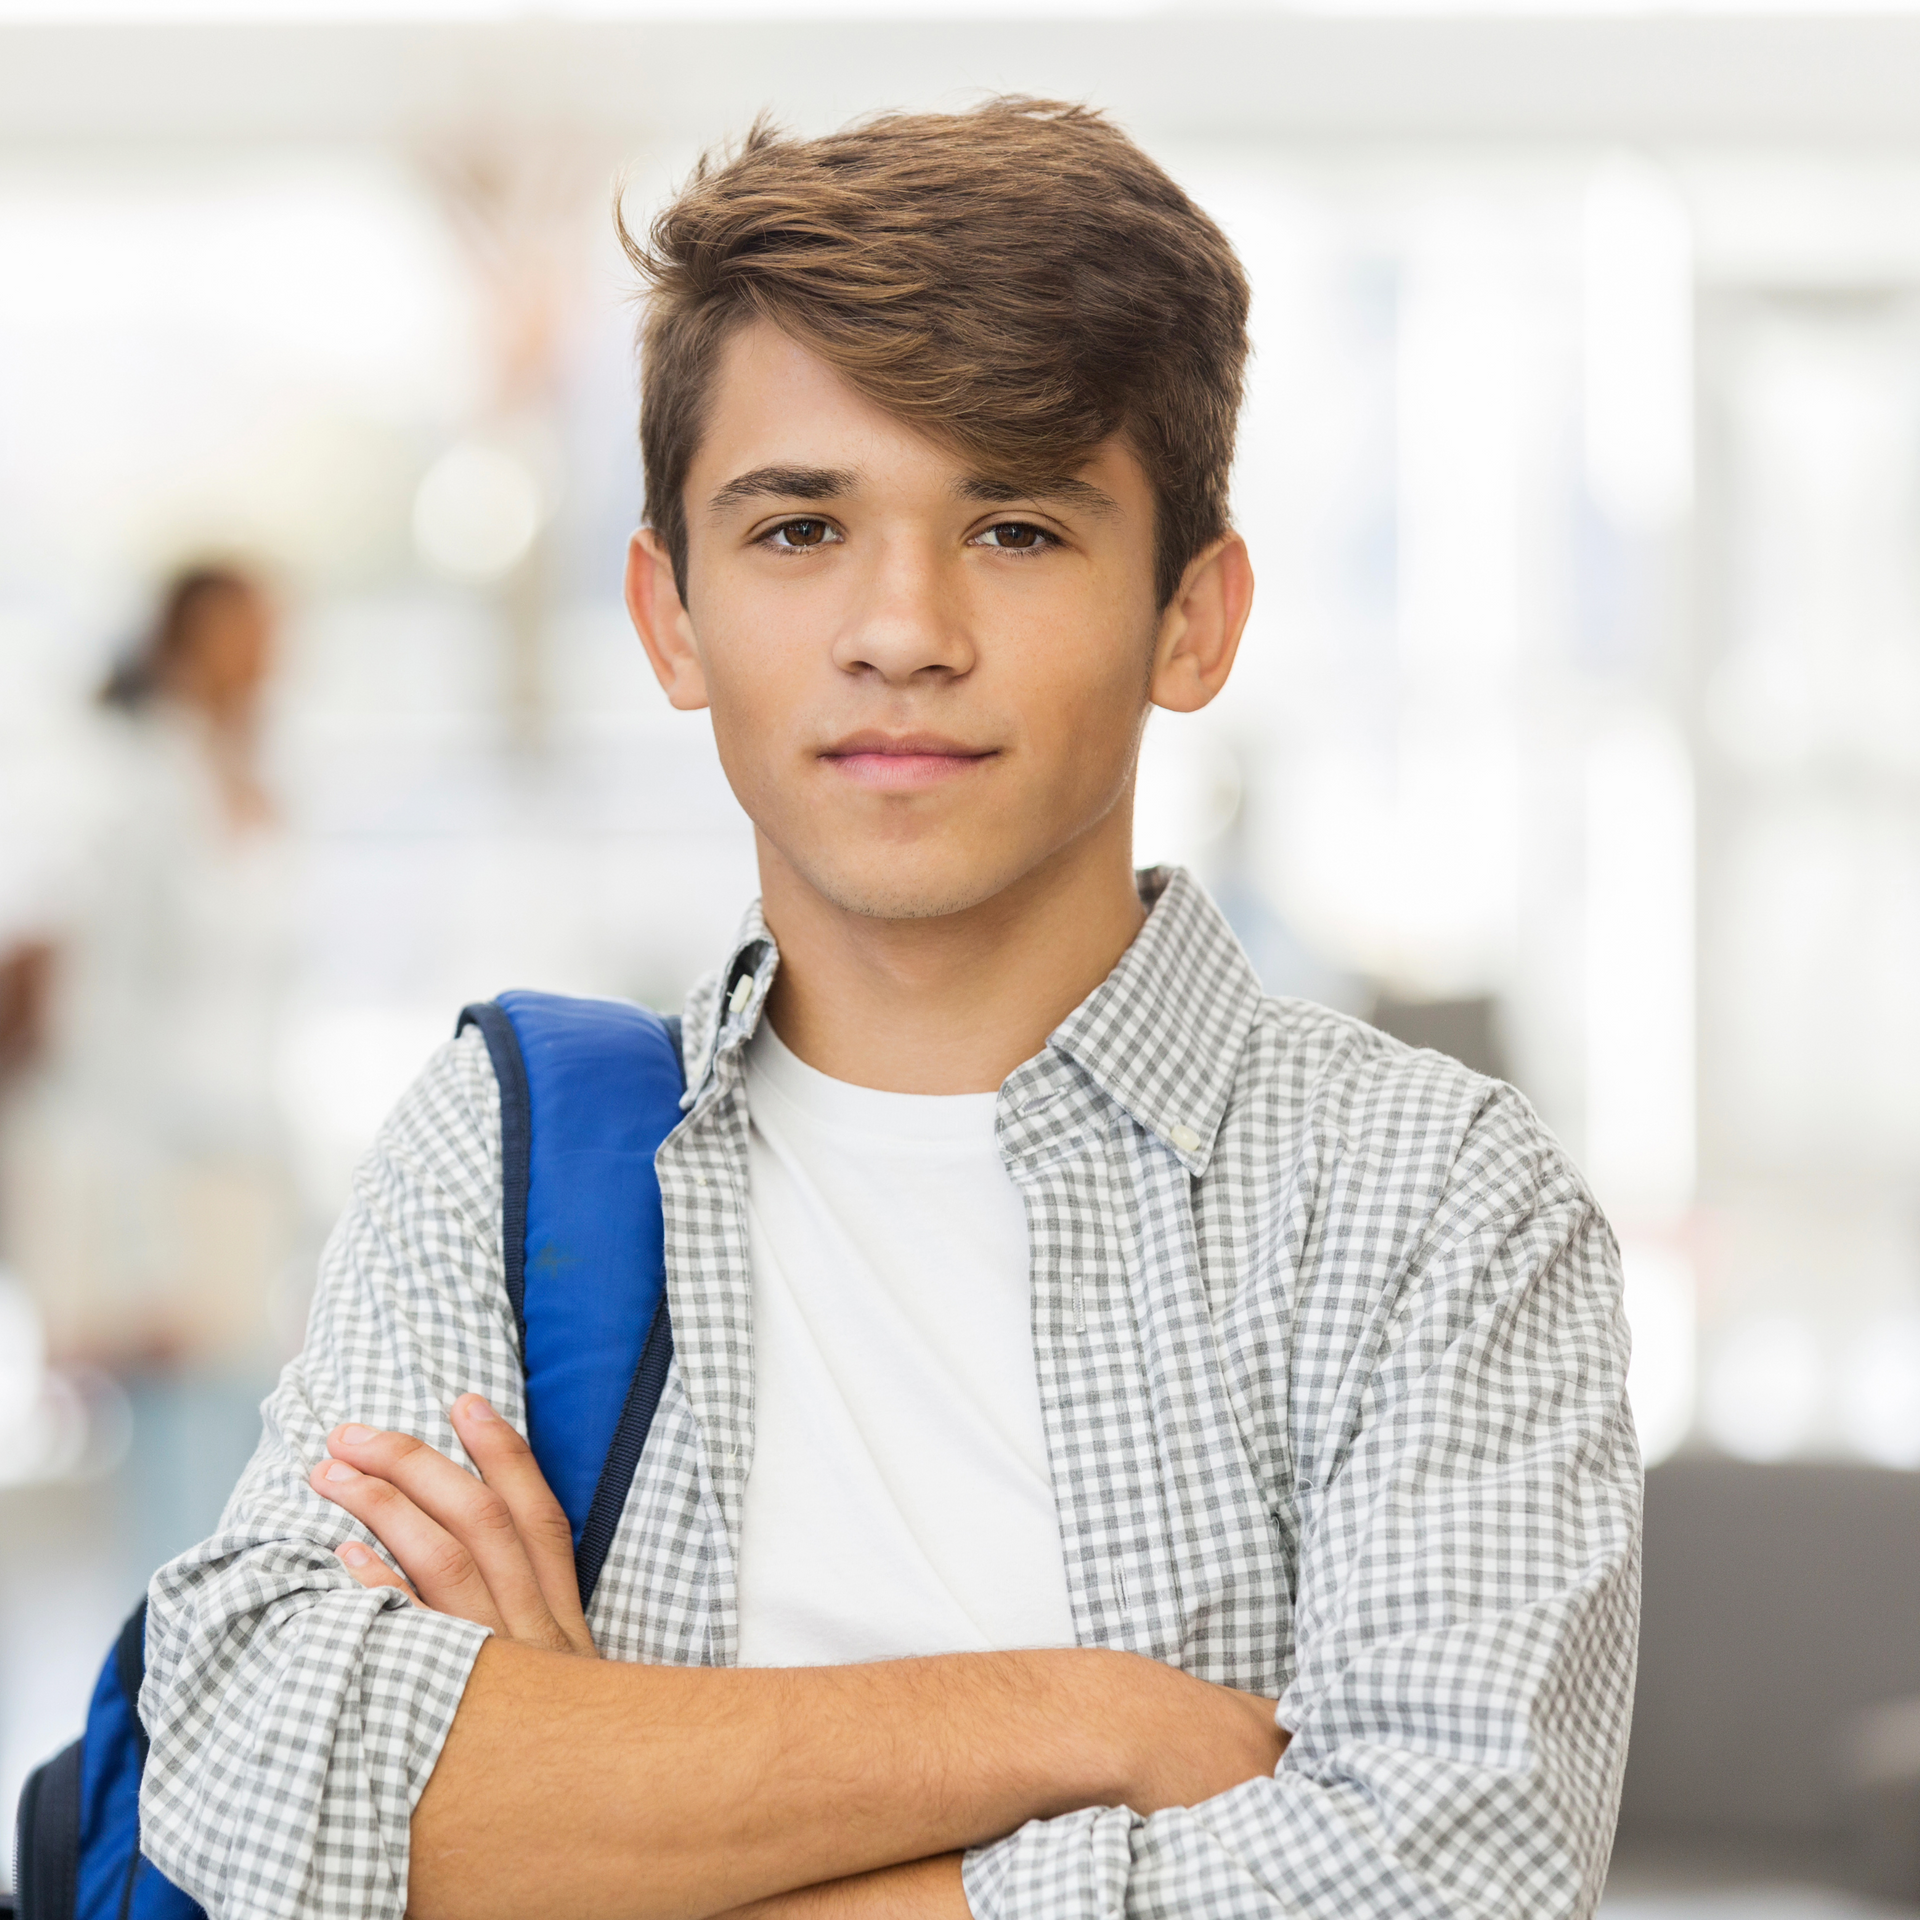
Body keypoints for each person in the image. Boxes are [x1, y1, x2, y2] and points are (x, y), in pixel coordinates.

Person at [139, 102, 1640, 1920]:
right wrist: (1074, 1720)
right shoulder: (507, 1152)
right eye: (798, 530)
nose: (902, 629)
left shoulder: (1436, 1206)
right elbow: (244, 1771)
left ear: (1194, 616)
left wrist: (588, 1810)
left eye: (1014, 527)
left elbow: (1438, 1876)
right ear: (669, 614)